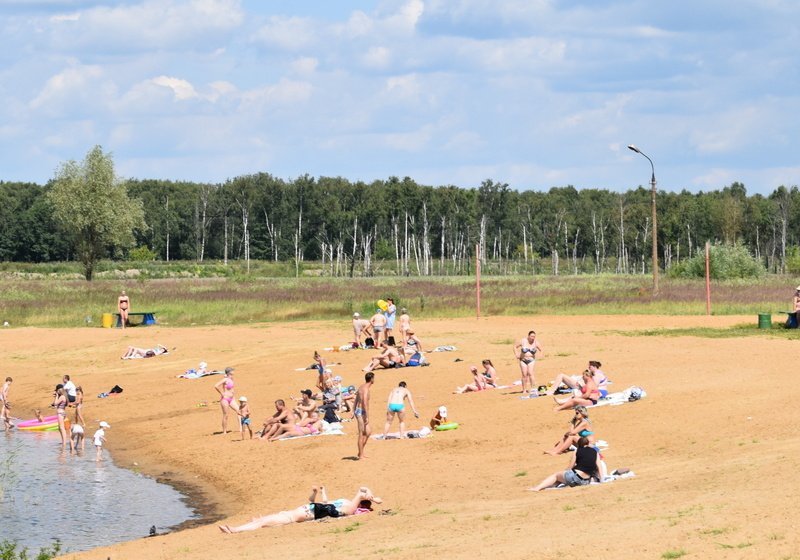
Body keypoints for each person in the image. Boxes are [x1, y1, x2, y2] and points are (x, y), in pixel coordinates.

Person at [219, 486, 382, 533]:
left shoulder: (348, 509)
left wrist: (372, 499)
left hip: (295, 516)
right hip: (301, 511)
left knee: (262, 522)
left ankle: (235, 530)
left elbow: (362, 491)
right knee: (263, 520)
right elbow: (363, 491)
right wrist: (319, 492)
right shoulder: (344, 504)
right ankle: (243, 527)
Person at [529, 437, 601, 491]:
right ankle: (547, 486)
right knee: (561, 479)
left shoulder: (577, 451)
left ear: (579, 445)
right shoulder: (595, 452)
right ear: (588, 443)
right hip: (585, 481)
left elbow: (570, 467)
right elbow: (599, 466)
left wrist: (565, 471)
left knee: (556, 475)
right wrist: (602, 479)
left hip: (575, 477)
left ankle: (537, 488)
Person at [514, 331, 543, 395]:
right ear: (528, 336)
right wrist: (516, 354)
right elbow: (515, 347)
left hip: (531, 360)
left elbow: (541, 349)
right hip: (523, 360)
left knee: (530, 373)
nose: (533, 338)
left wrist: (540, 355)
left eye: (534, 336)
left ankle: (533, 389)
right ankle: (524, 390)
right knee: (524, 375)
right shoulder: (523, 341)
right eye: (532, 336)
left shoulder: (535, 342)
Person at [354, 372, 374, 460]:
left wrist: (353, 410)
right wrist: (367, 416)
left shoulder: (361, 387)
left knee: (368, 432)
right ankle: (361, 455)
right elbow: (364, 402)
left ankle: (360, 452)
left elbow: (356, 399)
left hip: (359, 411)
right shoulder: (366, 389)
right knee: (361, 433)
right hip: (361, 412)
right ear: (372, 379)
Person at [214, 367, 238, 434]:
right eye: (232, 371)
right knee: (226, 415)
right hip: (225, 399)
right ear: (229, 372)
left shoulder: (231, 378)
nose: (234, 371)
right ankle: (224, 431)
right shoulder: (225, 379)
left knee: (239, 411)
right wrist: (222, 393)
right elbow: (216, 386)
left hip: (232, 398)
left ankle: (241, 429)